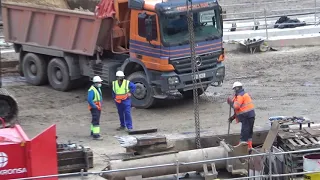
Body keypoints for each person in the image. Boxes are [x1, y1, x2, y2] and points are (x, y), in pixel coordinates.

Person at [227, 81, 255, 149]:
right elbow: (240, 109)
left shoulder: (240, 96)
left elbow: (236, 106)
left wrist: (230, 103)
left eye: (234, 89)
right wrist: (233, 117)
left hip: (247, 117)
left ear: (236, 88)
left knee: (244, 134)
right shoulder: (243, 94)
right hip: (250, 116)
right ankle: (249, 148)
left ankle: (242, 149)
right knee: (249, 134)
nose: (234, 91)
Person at [87, 76, 103, 140]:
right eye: (99, 82)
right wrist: (95, 106)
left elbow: (100, 97)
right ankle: (96, 135)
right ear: (95, 83)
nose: (100, 83)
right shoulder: (91, 90)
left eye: (100, 82)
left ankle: (93, 132)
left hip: (97, 107)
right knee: (96, 120)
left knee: (94, 119)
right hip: (95, 107)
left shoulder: (97, 88)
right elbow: (89, 100)